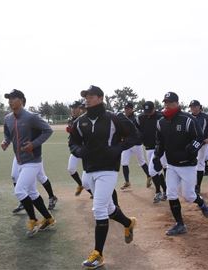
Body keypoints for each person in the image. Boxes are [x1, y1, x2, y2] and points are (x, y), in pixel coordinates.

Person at [69, 85, 137, 269]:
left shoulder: (114, 118)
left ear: (100, 98)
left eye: (90, 96)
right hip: (89, 169)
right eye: (85, 96)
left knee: (98, 209)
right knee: (107, 208)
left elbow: (134, 136)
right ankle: (128, 222)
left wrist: (117, 149)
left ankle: (98, 254)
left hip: (108, 169)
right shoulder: (80, 121)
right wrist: (79, 150)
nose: (87, 99)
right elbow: (73, 143)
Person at [153, 91, 208, 236]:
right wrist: (156, 157)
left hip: (188, 165)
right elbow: (160, 142)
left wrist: (193, 147)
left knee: (189, 196)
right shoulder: (161, 122)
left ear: (177, 103)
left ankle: (201, 202)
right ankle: (180, 224)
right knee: (171, 193)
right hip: (171, 165)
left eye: (171, 103)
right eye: (166, 103)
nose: (168, 105)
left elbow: (200, 137)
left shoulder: (188, 119)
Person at [1, 89, 55, 237]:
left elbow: (48, 130)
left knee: (19, 191)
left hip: (33, 160)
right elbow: (7, 133)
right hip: (18, 159)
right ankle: (49, 218)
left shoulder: (31, 117)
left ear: (22, 100)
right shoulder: (8, 118)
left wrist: (34, 144)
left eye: (13, 98)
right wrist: (6, 141)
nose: (10, 101)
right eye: (9, 99)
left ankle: (33, 220)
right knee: (31, 192)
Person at [138, 101, 168, 203]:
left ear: (154, 108)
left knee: (152, 171)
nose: (148, 113)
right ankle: (165, 191)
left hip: (159, 149)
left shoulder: (161, 116)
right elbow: (137, 129)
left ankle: (158, 192)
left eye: (150, 111)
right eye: (146, 111)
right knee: (157, 171)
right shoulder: (141, 118)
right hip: (148, 148)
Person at [118, 102, 151, 190]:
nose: (126, 110)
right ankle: (127, 182)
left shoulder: (136, 119)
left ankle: (149, 176)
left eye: (128, 108)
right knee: (124, 162)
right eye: (125, 108)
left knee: (141, 162)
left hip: (136, 144)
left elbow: (140, 131)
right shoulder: (123, 119)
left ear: (132, 109)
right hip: (127, 145)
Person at [66, 100, 92, 197]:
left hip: (87, 150)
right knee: (71, 169)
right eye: (72, 108)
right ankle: (80, 185)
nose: (73, 110)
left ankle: (93, 193)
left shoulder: (86, 119)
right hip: (76, 150)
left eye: (75, 108)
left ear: (80, 109)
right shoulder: (71, 120)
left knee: (89, 177)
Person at [188, 100, 208, 194]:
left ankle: (197, 186)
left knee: (200, 163)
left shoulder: (206, 118)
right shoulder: (187, 117)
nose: (193, 108)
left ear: (200, 107)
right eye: (191, 106)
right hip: (190, 144)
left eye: (195, 106)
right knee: (192, 162)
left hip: (202, 144)